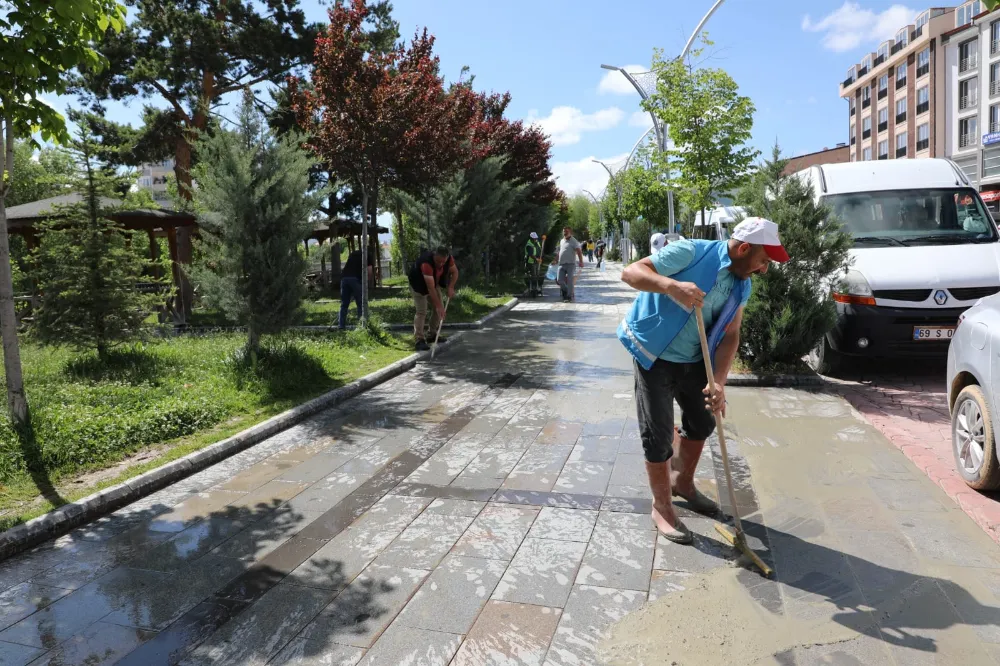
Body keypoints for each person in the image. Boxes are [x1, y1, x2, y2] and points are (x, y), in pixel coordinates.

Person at [618, 218, 789, 544]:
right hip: (654, 353)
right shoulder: (690, 252)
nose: (765, 269)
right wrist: (671, 286)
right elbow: (630, 272)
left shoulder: (743, 284)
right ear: (743, 248)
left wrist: (719, 382)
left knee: (703, 419)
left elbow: (731, 334)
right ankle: (662, 506)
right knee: (657, 436)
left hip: (695, 360)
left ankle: (682, 481)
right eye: (764, 260)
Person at [408, 246, 459, 351]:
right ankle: (419, 339)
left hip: (433, 283)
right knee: (422, 311)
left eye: (443, 262)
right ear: (434, 255)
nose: (440, 264)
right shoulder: (426, 263)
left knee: (439, 310)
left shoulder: (449, 259)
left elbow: (455, 272)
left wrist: (451, 287)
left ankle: (432, 334)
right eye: (438, 261)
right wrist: (439, 306)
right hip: (418, 285)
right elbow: (430, 289)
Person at [338, 248, 374, 329]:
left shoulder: (353, 253)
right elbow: (369, 271)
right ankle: (362, 325)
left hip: (344, 278)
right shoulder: (367, 254)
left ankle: (341, 325)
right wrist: (367, 284)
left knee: (344, 304)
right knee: (361, 303)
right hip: (355, 279)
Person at [557, 227, 584, 302]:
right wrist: (555, 260)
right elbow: (560, 251)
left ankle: (568, 296)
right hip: (561, 264)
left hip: (570, 264)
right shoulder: (562, 240)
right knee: (559, 280)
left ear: (570, 232)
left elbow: (579, 251)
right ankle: (566, 291)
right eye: (563, 231)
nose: (564, 233)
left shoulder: (574, 241)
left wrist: (581, 261)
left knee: (570, 280)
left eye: (566, 231)